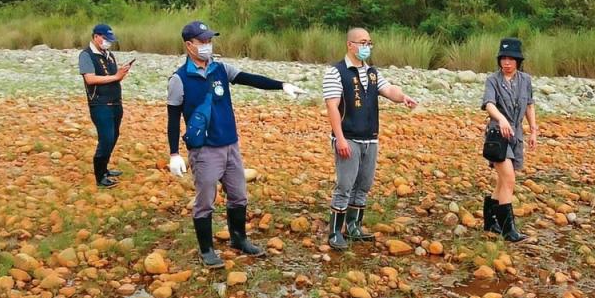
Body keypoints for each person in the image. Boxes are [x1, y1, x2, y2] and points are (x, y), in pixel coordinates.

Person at [167, 21, 306, 268]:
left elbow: (249, 78)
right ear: (189, 45)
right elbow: (173, 117)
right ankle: (207, 249)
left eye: (210, 40)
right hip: (204, 149)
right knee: (205, 200)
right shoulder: (179, 79)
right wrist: (174, 153)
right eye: (203, 42)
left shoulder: (220, 69)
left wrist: (281, 85)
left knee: (239, 194)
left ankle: (238, 238)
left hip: (230, 144)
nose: (208, 45)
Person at [323, 27, 418, 250]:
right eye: (362, 42)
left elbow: (388, 90)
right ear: (350, 44)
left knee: (363, 184)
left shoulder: (373, 72)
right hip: (349, 137)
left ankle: (354, 225)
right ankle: (335, 231)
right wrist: (340, 138)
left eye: (369, 43)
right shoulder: (336, 72)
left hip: (370, 137)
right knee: (345, 184)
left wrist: (403, 97)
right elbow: (332, 107)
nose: (366, 47)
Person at [481, 37, 538, 242]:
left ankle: (490, 222)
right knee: (509, 180)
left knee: (502, 180)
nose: (507, 63)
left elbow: (529, 105)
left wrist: (533, 130)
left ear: (518, 61)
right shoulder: (492, 80)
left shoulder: (525, 80)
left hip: (517, 135)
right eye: (503, 59)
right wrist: (501, 119)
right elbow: (488, 104)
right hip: (498, 136)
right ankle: (508, 230)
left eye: (511, 59)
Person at [78, 23, 130, 188]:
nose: (108, 42)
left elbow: (113, 77)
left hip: (115, 102)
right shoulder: (86, 55)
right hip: (100, 104)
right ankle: (99, 176)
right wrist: (116, 76)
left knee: (113, 136)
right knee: (106, 139)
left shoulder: (109, 55)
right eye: (105, 39)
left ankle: (105, 168)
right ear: (96, 37)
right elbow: (90, 79)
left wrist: (120, 74)